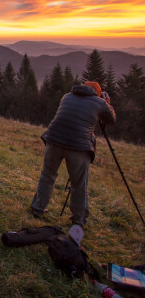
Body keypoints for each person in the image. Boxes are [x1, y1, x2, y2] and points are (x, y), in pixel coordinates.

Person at [31, 81, 116, 227]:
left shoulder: (67, 96)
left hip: (53, 139)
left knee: (48, 175)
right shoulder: (99, 102)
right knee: (79, 184)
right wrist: (107, 103)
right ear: (97, 93)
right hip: (78, 145)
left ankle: (37, 209)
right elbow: (111, 120)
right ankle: (79, 219)